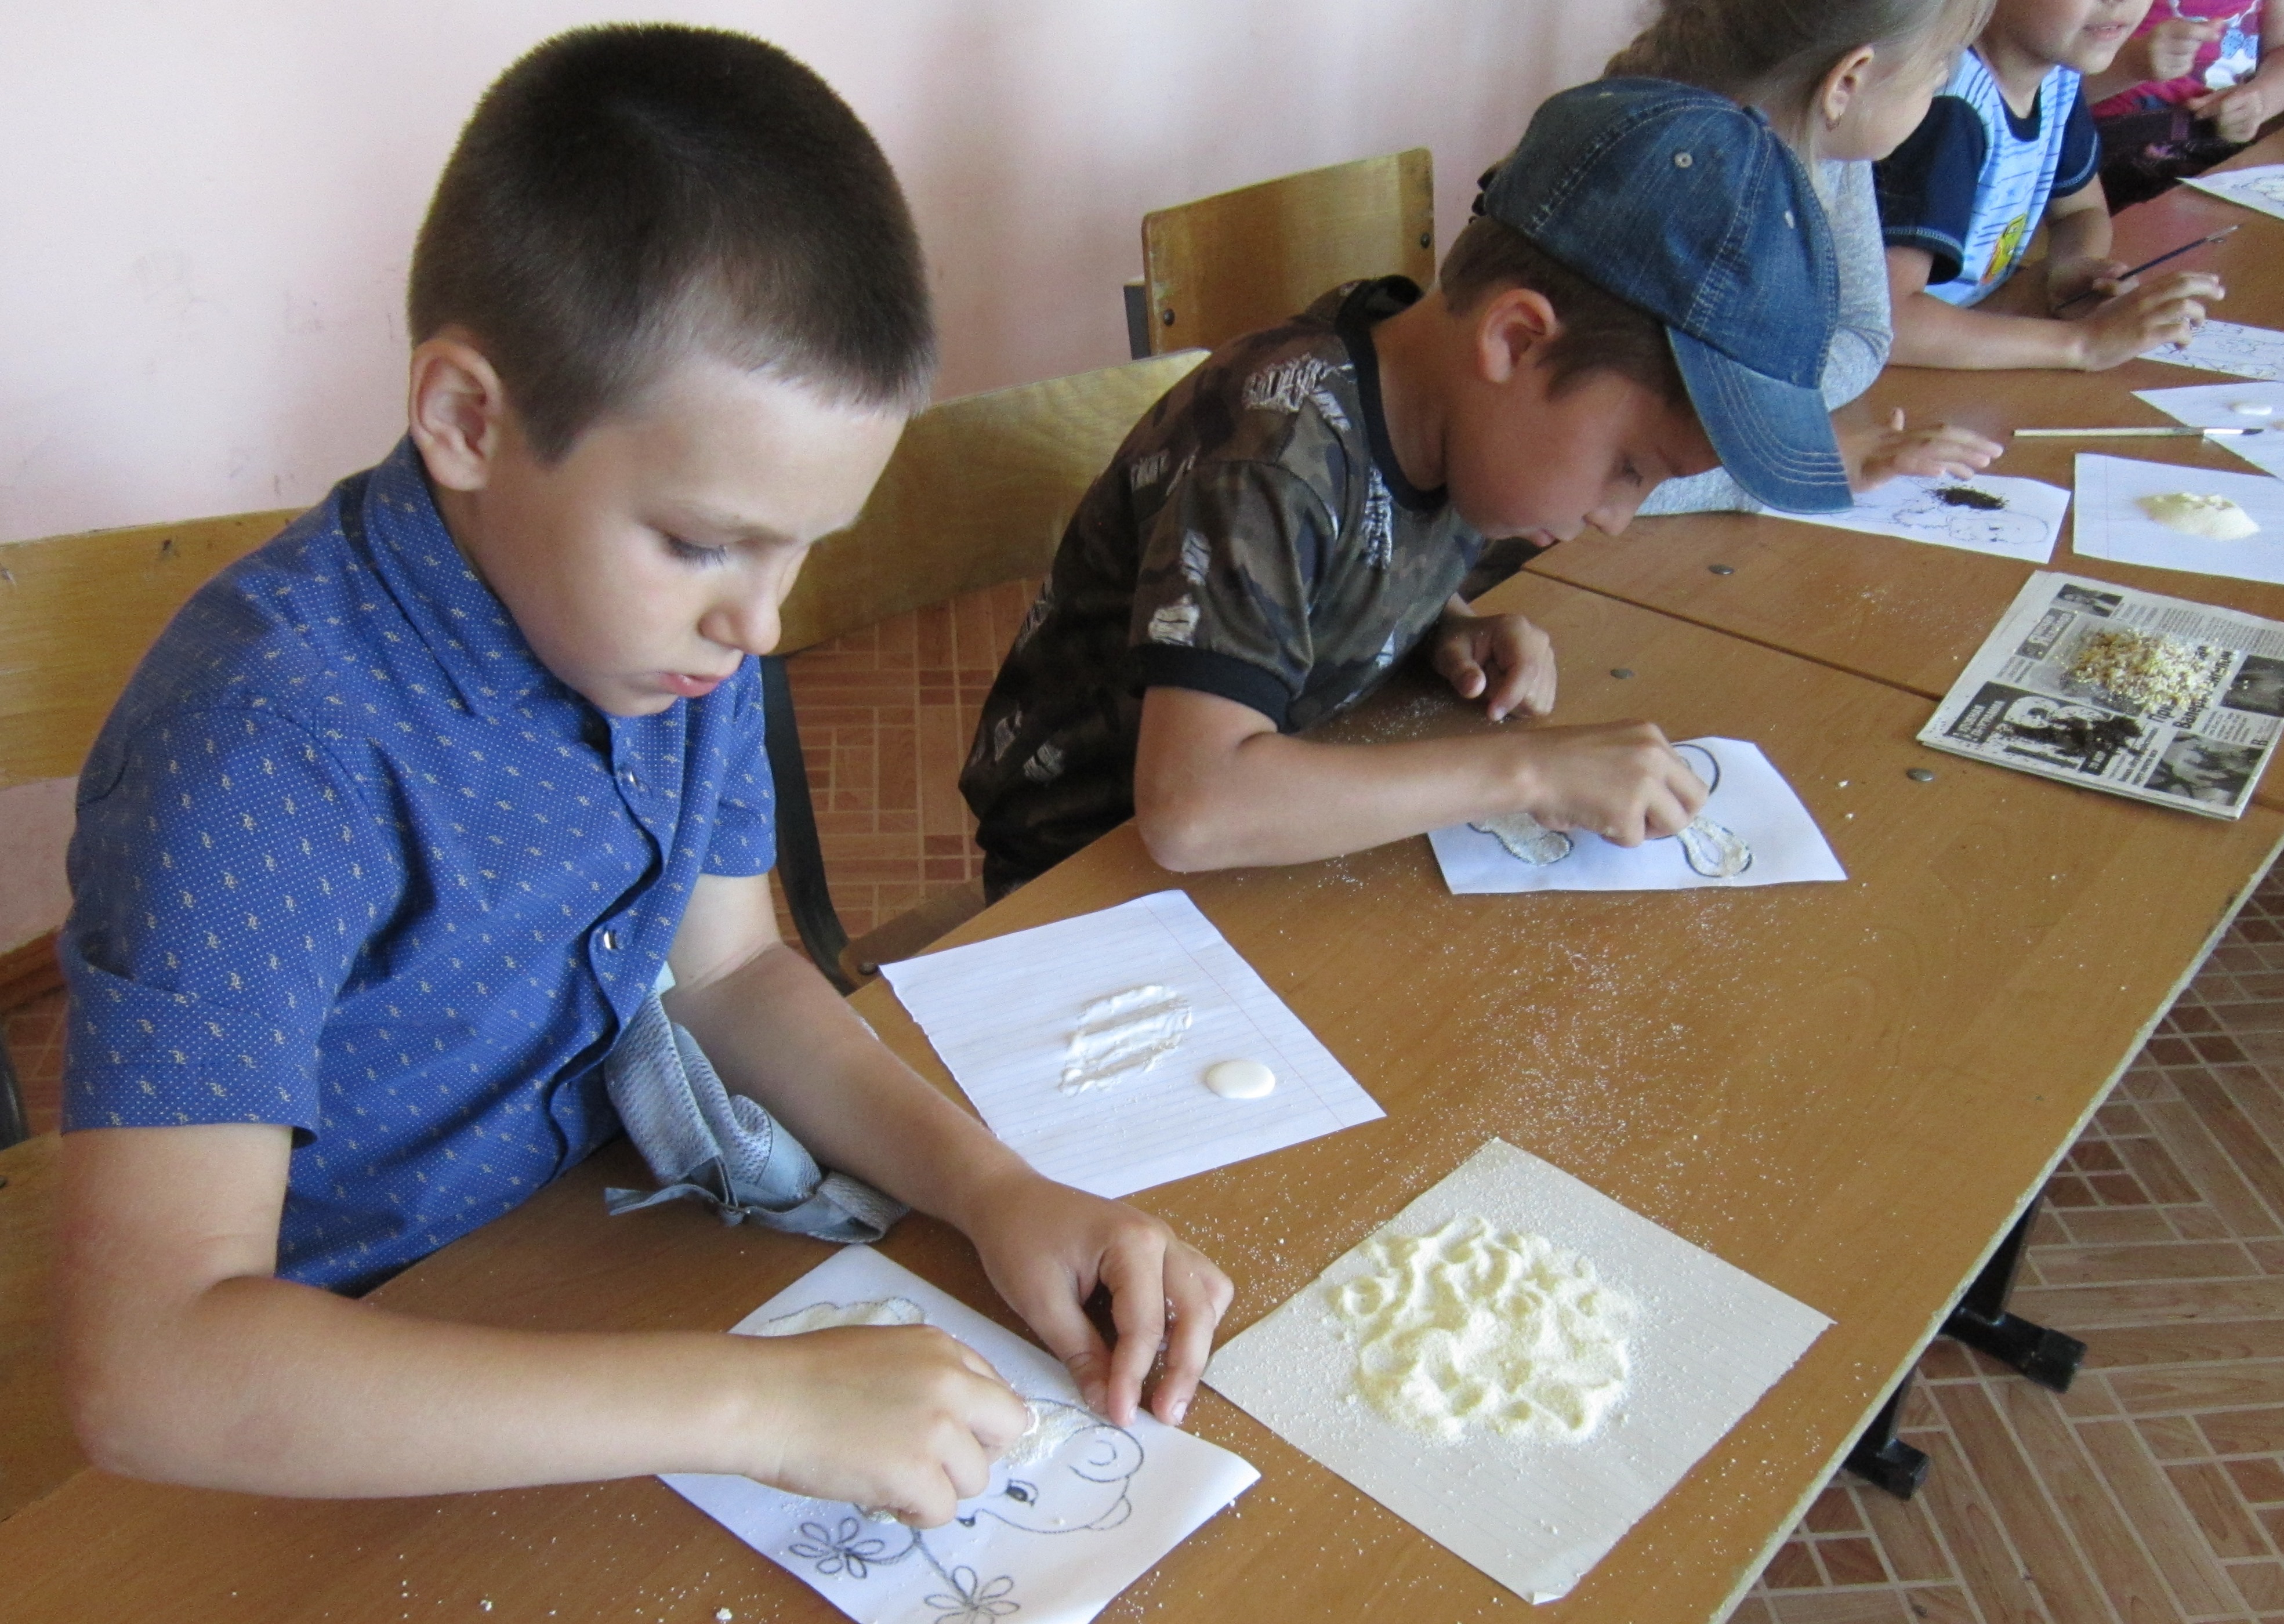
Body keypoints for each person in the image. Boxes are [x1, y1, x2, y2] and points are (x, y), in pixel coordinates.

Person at [55, 26, 1230, 1529]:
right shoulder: (265, 744)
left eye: (800, 548)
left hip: (584, 1257)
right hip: (326, 1385)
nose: (762, 625)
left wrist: (997, 1191)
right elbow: (150, 1367)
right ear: (468, 422)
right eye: (701, 541)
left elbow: (730, 974)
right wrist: (759, 1405)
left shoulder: (663, 639)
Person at [960, 79, 1848, 900]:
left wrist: (1439, 622)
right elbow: (1193, 809)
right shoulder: (1275, 452)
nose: (1618, 518)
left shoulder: (1451, 417)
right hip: (1078, 880)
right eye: (1630, 467)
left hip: (1253, 847)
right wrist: (1530, 771)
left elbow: (1345, 551)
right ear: (1515, 340)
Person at [1608, 0, 2004, 516]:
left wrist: (1765, 429)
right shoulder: (1663, 184)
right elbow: (1587, 471)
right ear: (1849, 80)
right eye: (1940, 66)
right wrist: (1788, 467)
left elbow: (1863, 330)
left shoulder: (1827, 144)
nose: (1944, 84)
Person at [1877, 0, 2225, 369]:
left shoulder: (2057, 78)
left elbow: (2082, 210)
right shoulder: (1946, 112)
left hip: (1967, 340)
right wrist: (2083, 344)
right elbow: (1887, 322)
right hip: (1899, 372)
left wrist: (2072, 268)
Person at [2087, 2, 2279, 207]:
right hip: (2119, 138)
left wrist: (2262, 99)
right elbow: (2064, 83)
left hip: (2227, 141)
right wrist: (2131, 65)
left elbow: (2279, 49)